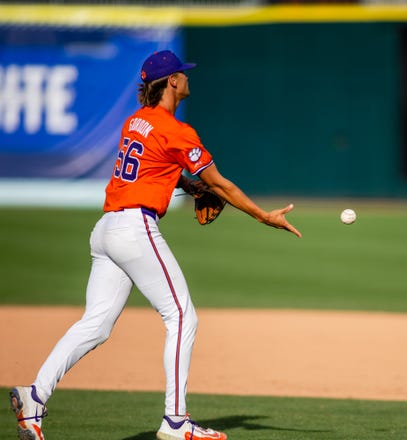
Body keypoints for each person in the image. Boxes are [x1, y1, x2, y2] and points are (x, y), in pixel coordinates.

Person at [9, 49, 301, 440]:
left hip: (106, 230)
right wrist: (264, 216)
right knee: (182, 317)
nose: (187, 77)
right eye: (183, 73)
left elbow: (157, 165)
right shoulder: (178, 131)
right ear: (173, 83)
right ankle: (176, 421)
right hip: (134, 228)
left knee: (95, 324)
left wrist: (186, 184)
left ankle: (34, 397)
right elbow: (221, 184)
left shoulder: (136, 122)